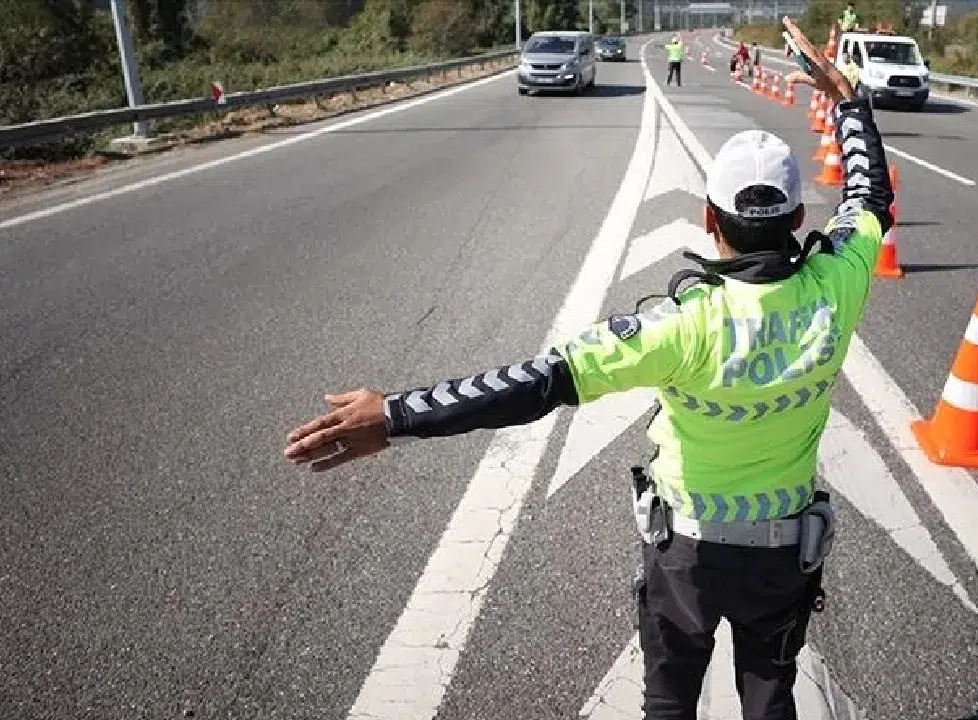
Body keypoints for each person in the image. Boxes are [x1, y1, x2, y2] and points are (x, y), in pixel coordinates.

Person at [282, 16, 892, 720]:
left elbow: (532, 385)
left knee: (669, 702)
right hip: (784, 553)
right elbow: (869, 197)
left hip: (687, 556)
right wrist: (848, 101)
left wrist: (393, 416)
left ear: (708, 219)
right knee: (770, 693)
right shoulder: (839, 282)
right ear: (794, 219)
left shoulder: (681, 327)